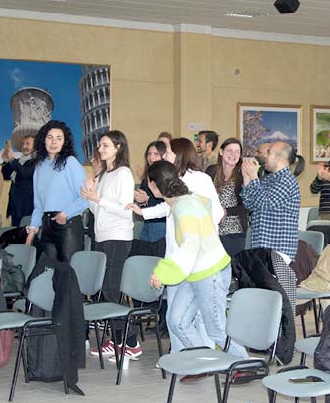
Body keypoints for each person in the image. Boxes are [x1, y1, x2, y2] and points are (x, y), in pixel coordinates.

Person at [132, 137, 224, 359]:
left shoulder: (200, 179)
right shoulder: (174, 180)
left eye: (168, 152)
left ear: (180, 154)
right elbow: (167, 207)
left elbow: (216, 211)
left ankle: (206, 359)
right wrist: (143, 212)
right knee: (175, 314)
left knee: (201, 317)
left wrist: (200, 232)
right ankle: (181, 356)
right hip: (177, 257)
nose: (164, 156)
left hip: (199, 260)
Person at [145, 160, 247, 359]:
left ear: (154, 185)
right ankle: (204, 362)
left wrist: (162, 273)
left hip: (210, 272)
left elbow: (190, 245)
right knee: (177, 321)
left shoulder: (184, 206)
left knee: (216, 331)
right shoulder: (183, 201)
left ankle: (245, 365)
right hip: (195, 272)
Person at [81, 130, 141, 362]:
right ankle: (118, 340)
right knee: (106, 290)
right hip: (102, 235)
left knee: (112, 289)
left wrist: (99, 199)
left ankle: (131, 342)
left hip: (118, 237)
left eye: (105, 145)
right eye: (100, 145)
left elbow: (125, 211)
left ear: (118, 147)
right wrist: (90, 196)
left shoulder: (123, 173)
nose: (100, 149)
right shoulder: (104, 174)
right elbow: (98, 211)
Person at [27, 120, 88, 262]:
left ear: (64, 142)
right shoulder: (39, 167)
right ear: (43, 140)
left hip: (67, 225)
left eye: (59, 138)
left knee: (67, 271)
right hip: (47, 226)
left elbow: (85, 198)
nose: (54, 142)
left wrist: (65, 214)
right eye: (50, 137)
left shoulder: (70, 162)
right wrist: (33, 229)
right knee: (45, 269)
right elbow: (38, 205)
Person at [241, 142, 302, 259]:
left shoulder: (287, 180)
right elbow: (250, 205)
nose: (265, 156)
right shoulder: (269, 178)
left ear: (279, 159)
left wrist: (254, 176)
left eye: (269, 153)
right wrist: (247, 179)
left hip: (278, 249)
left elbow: (265, 203)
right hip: (261, 245)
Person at [206, 138, 249, 257]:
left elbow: (248, 205)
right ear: (221, 152)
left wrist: (226, 211)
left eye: (237, 151)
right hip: (212, 230)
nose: (233, 155)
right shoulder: (211, 171)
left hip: (235, 231)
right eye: (229, 150)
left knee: (233, 266)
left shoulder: (243, 174)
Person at [134, 140, 167, 243]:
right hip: (147, 222)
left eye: (156, 154)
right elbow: (144, 205)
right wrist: (140, 199)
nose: (151, 157)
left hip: (161, 222)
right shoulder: (147, 177)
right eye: (149, 154)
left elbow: (168, 202)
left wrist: (148, 199)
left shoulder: (166, 176)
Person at [1, 134, 36, 227]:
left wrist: (12, 159)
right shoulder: (18, 161)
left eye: (27, 144)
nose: (24, 147)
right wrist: (6, 161)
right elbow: (5, 176)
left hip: (27, 207)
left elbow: (25, 173)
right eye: (23, 144)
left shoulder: (36, 162)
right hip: (15, 206)